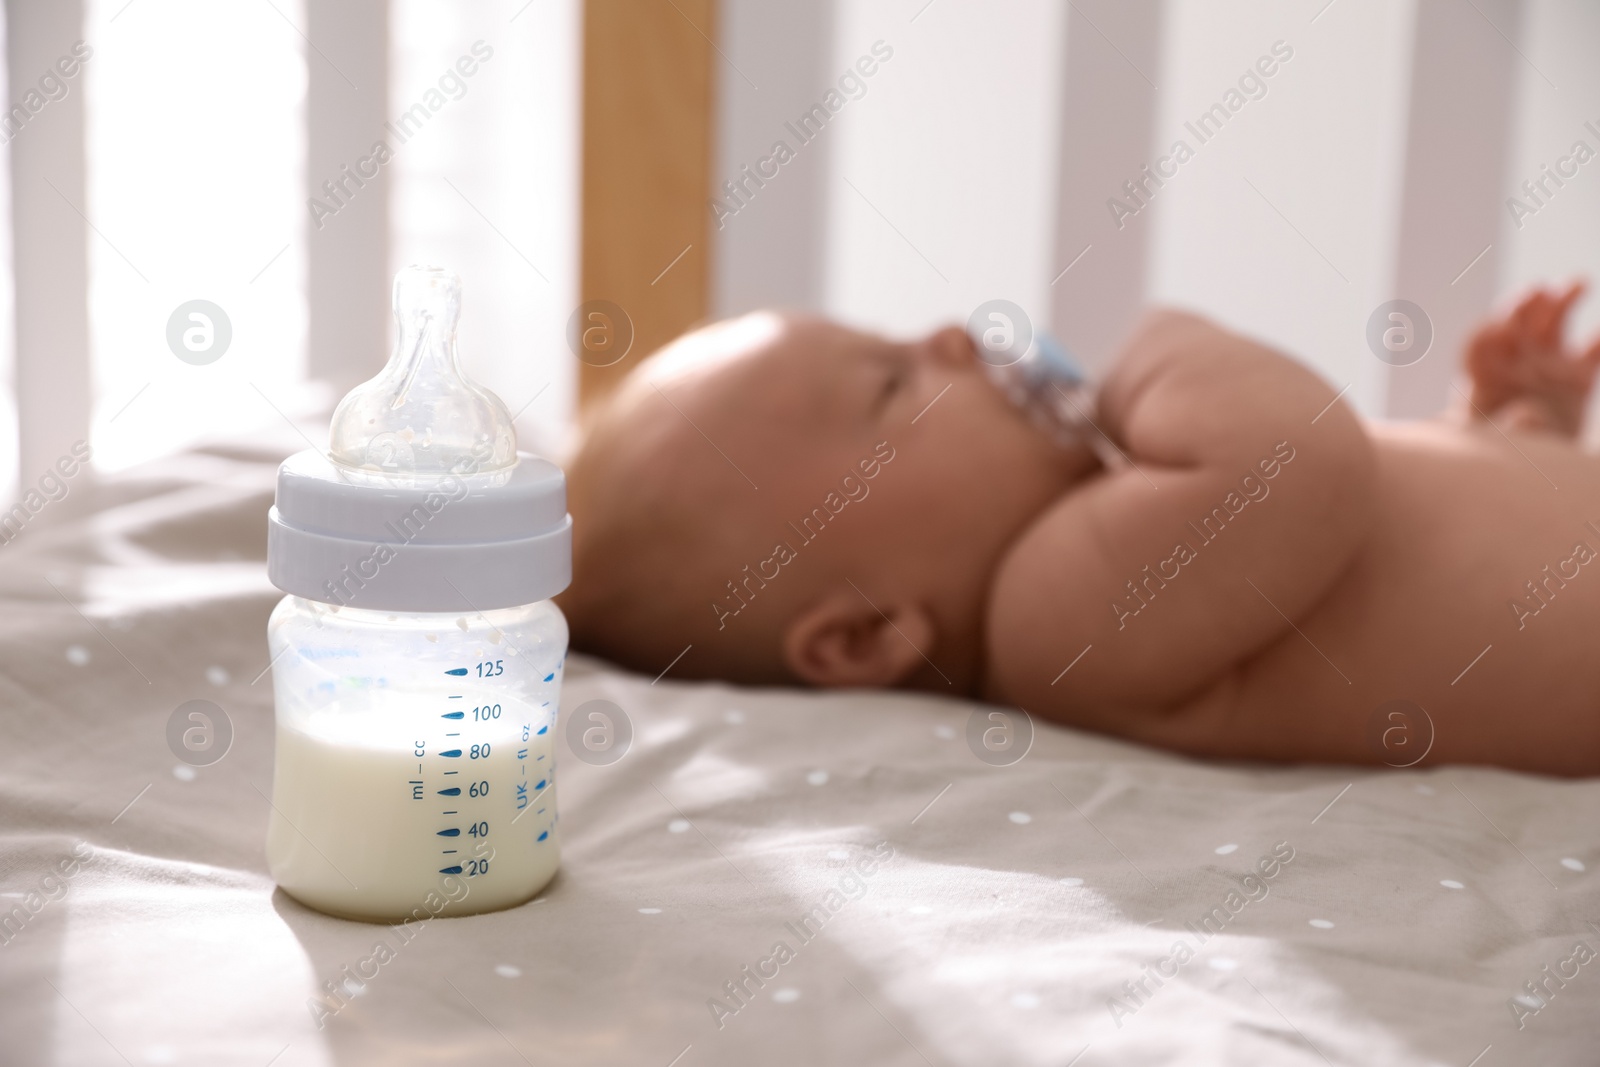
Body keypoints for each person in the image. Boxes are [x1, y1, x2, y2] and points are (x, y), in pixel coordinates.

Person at [560, 284, 1600, 776]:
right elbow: (1300, 457)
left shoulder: (1139, 507)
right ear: (866, 635)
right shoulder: (1055, 621)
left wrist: (1504, 430)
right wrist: (1153, 347)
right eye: (892, 379)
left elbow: (1405, 522)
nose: (951, 337)